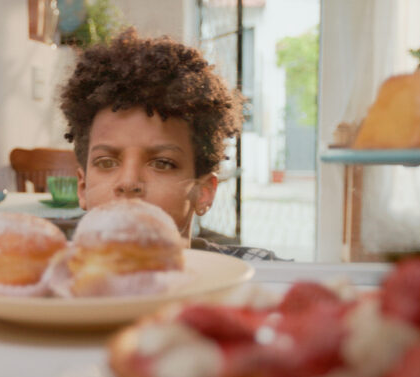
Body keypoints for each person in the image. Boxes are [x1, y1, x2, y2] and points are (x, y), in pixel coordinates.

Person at [59, 28, 280, 261]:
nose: (129, 182)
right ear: (83, 188)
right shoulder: (49, 284)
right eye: (106, 162)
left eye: (162, 164)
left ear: (203, 192)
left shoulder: (260, 274)